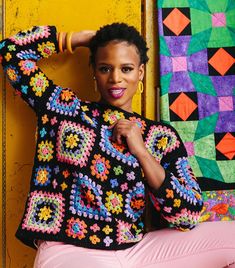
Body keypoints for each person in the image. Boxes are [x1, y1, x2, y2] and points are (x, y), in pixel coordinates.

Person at [0, 23, 234, 268]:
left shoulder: (160, 136)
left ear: (141, 72)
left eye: (127, 68)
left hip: (136, 251)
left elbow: (188, 215)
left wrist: (142, 152)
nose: (115, 78)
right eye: (105, 68)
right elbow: (11, 51)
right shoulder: (64, 109)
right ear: (93, 71)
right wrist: (80, 37)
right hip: (69, 250)